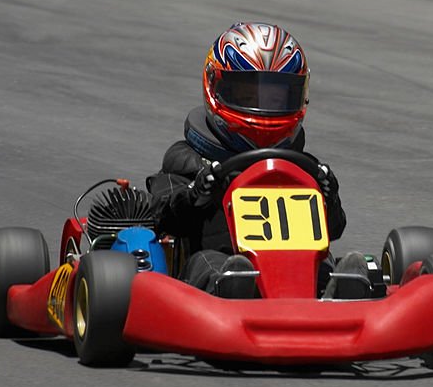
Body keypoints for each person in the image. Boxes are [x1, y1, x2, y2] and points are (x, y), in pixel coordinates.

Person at [146, 22, 358, 298]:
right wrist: (194, 196)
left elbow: (334, 230)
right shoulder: (188, 161)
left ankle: (348, 289)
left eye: (276, 97)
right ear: (215, 87)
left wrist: (330, 197)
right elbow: (160, 217)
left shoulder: (301, 167)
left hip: (300, 272)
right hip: (213, 271)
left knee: (335, 266)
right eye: (248, 95)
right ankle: (235, 290)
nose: (263, 107)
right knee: (217, 265)